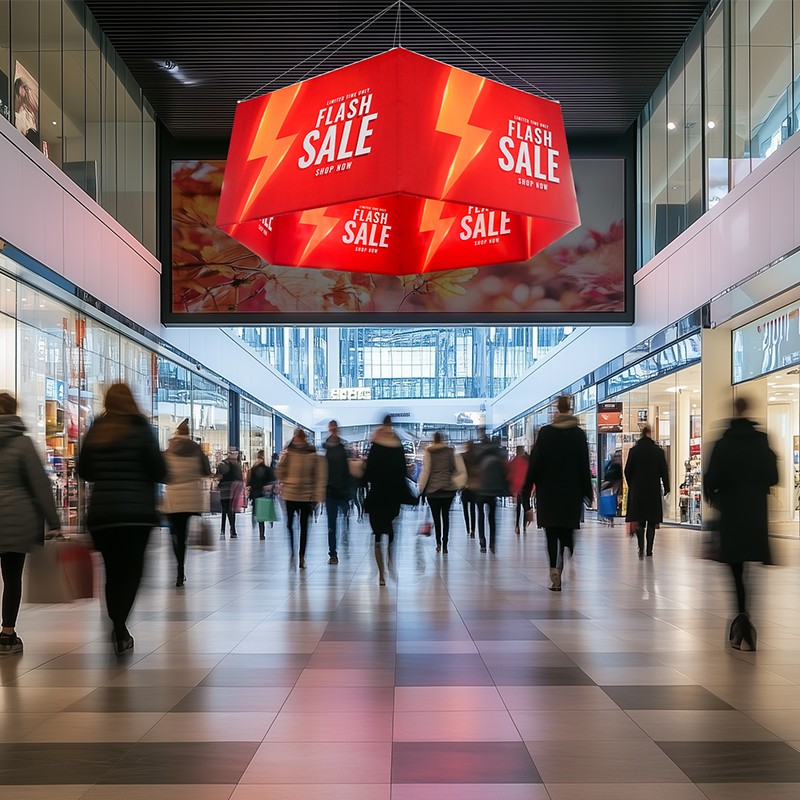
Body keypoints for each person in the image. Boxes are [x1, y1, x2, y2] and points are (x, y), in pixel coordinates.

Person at [77, 383, 166, 655]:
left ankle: (117, 625)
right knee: (131, 573)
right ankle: (119, 625)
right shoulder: (142, 429)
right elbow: (158, 470)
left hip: (103, 514)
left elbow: (83, 470)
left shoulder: (96, 428)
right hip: (136, 515)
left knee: (113, 572)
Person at [704, 396, 778, 651]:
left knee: (736, 569)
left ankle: (741, 617)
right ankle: (745, 618)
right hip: (755, 514)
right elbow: (773, 476)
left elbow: (710, 479)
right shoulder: (762, 441)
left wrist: (716, 499)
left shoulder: (723, 442)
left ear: (734, 411)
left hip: (732, 514)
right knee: (751, 567)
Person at [0, 392, 61, 655]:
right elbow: (40, 485)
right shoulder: (23, 443)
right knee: (12, 578)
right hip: (16, 521)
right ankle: (7, 635)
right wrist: (54, 521)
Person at [522, 395, 592, 591]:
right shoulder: (579, 434)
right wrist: (588, 492)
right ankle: (564, 556)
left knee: (551, 533)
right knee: (566, 530)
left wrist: (527, 490)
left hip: (549, 492)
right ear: (570, 409)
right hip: (571, 493)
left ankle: (554, 570)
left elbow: (535, 464)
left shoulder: (545, 433)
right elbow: (583, 465)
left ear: (556, 409)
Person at [163, 418, 211, 586]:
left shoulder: (169, 451)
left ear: (177, 433)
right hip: (192, 498)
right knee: (184, 534)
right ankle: (181, 569)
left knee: (176, 535)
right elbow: (206, 470)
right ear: (188, 433)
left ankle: (179, 570)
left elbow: (162, 474)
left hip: (174, 498)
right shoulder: (196, 449)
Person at [364, 415, 410, 585]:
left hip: (377, 496)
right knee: (391, 533)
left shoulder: (375, 445)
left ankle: (381, 574)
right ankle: (390, 564)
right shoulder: (397, 444)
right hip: (393, 497)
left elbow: (368, 472)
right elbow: (403, 471)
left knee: (377, 534)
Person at [276, 429, 326, 569]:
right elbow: (279, 471)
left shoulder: (312, 453)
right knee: (290, 525)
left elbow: (318, 474)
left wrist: (318, 493)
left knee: (304, 527)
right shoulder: (288, 453)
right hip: (291, 494)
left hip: (306, 496)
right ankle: (294, 552)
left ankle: (301, 555)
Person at [624, 425, 670, 558]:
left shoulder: (634, 451)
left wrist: (632, 484)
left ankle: (640, 548)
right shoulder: (658, 452)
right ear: (650, 434)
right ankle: (649, 550)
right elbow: (664, 472)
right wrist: (667, 487)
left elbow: (627, 471)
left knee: (639, 519)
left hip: (638, 491)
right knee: (651, 520)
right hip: (653, 490)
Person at [418, 432, 467, 554]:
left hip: (433, 491)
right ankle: (445, 544)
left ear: (433, 440)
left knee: (436, 518)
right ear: (443, 440)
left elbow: (426, 472)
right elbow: (458, 469)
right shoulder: (450, 452)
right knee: (446, 517)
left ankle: (438, 543)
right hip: (448, 490)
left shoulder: (429, 452)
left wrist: (421, 489)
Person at [474, 432, 510, 553]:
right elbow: (504, 472)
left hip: (481, 490)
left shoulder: (480, 455)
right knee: (492, 517)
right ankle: (493, 542)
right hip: (494, 491)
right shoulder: (498, 456)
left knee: (481, 516)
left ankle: (482, 541)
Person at [323, 420, 351, 564]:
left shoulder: (343, 448)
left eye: (335, 428)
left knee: (343, 520)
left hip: (341, 491)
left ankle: (342, 542)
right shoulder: (324, 447)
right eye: (331, 428)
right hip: (330, 492)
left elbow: (347, 471)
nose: (333, 430)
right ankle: (332, 552)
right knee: (331, 524)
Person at [247, 449, 276, 540]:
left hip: (256, 493)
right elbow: (272, 480)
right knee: (263, 513)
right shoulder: (268, 469)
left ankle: (260, 531)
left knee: (258, 513)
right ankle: (262, 532)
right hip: (264, 494)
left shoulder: (253, 469)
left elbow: (250, 482)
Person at [216, 447, 244, 538]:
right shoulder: (236, 465)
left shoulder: (224, 464)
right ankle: (232, 530)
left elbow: (219, 475)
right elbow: (240, 479)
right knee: (230, 510)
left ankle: (224, 530)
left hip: (225, 489)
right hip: (232, 490)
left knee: (225, 510)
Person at [507, 445, 530, 535]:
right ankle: (524, 526)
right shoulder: (526, 462)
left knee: (518, 508)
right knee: (525, 507)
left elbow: (510, 474)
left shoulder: (514, 461)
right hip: (525, 488)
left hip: (517, 488)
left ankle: (517, 526)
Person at [460, 440, 479, 537]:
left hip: (465, 486)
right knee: (473, 509)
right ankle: (472, 529)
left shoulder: (463, 457)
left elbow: (460, 471)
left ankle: (468, 527)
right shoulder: (477, 458)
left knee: (465, 508)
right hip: (474, 486)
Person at [600, 451, 623, 526]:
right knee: (608, 496)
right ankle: (608, 515)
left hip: (614, 483)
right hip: (611, 482)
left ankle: (610, 515)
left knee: (611, 498)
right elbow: (606, 471)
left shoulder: (617, 466)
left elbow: (615, 475)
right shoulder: (611, 464)